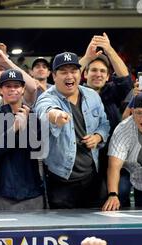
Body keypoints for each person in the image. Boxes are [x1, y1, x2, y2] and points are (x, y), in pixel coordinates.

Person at [35, 52, 110, 209]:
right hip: (62, 180)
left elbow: (104, 124)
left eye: (73, 71)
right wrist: (56, 116)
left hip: (92, 177)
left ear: (80, 73)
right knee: (65, 230)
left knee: (97, 228)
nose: (69, 76)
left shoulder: (92, 96)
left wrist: (98, 137)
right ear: (54, 76)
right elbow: (44, 110)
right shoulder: (47, 97)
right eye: (63, 72)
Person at [0, 69, 44, 211]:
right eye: (8, 86)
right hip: (3, 191)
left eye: (17, 86)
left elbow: (39, 150)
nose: (13, 89)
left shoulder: (33, 115)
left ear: (23, 89)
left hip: (32, 191)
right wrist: (14, 129)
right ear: (0, 89)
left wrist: (26, 127)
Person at [79, 32, 132, 135]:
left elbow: (125, 79)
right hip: (85, 148)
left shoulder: (112, 92)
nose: (98, 74)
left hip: (112, 148)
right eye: (94, 70)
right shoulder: (77, 93)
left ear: (108, 77)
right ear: (85, 74)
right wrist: (87, 58)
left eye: (103, 71)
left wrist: (109, 50)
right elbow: (70, 77)